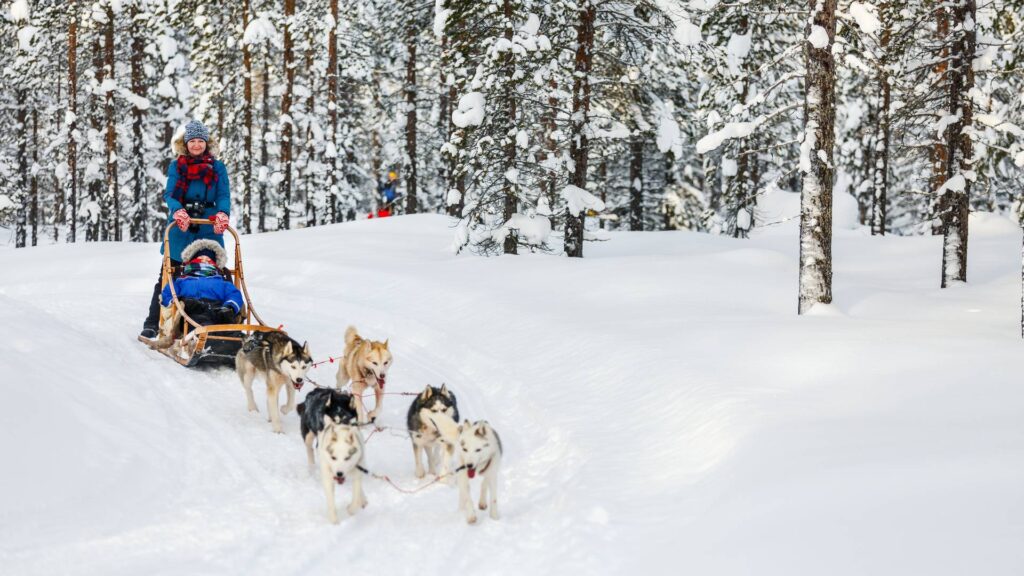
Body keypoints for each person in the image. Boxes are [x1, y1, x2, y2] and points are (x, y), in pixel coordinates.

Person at [140, 119, 231, 339]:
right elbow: (170, 194)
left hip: (208, 229)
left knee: (211, 276)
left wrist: (222, 213)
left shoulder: (218, 167)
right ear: (185, 143)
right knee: (169, 276)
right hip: (181, 229)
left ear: (207, 143)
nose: (197, 145)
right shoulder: (177, 166)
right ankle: (154, 321)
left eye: (201, 141)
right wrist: (178, 210)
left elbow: (223, 195)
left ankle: (218, 319)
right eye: (193, 141)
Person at [160, 239, 244, 325]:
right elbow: (167, 295)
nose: (204, 261)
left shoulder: (222, 283)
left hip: (217, 309)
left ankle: (241, 337)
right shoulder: (181, 281)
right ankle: (210, 335)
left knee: (223, 322)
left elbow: (234, 295)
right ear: (191, 261)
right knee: (201, 320)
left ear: (215, 265)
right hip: (189, 311)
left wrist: (229, 307)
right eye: (200, 258)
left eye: (208, 260)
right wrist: (180, 301)